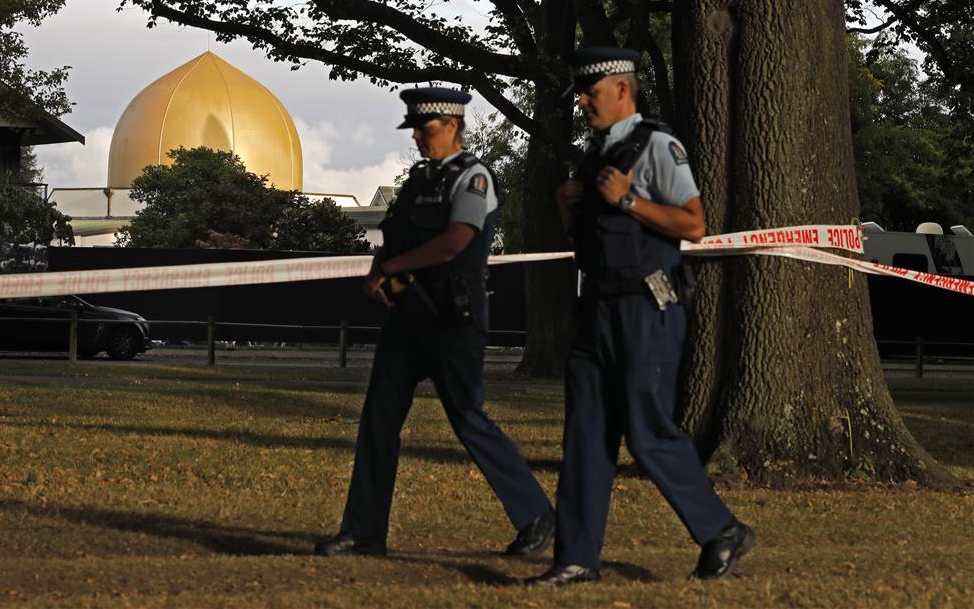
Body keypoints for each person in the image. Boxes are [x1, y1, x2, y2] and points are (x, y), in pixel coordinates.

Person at [527, 47, 754, 586]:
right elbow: (593, 244)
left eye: (591, 92)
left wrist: (629, 201)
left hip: (645, 311)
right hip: (598, 311)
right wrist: (568, 209)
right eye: (579, 93)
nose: (581, 101)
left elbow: (694, 224)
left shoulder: (657, 146)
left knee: (647, 433)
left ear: (622, 90)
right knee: (584, 435)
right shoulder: (594, 156)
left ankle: (721, 529)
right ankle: (577, 558)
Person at [315, 87, 555, 558]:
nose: (421, 140)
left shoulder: (474, 177)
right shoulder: (418, 179)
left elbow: (455, 242)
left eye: (427, 130)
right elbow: (395, 234)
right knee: (378, 420)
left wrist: (392, 266)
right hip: (408, 314)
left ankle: (535, 514)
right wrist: (376, 270)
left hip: (454, 317)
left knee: (468, 419)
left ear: (452, 126)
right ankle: (363, 531)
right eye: (416, 131)